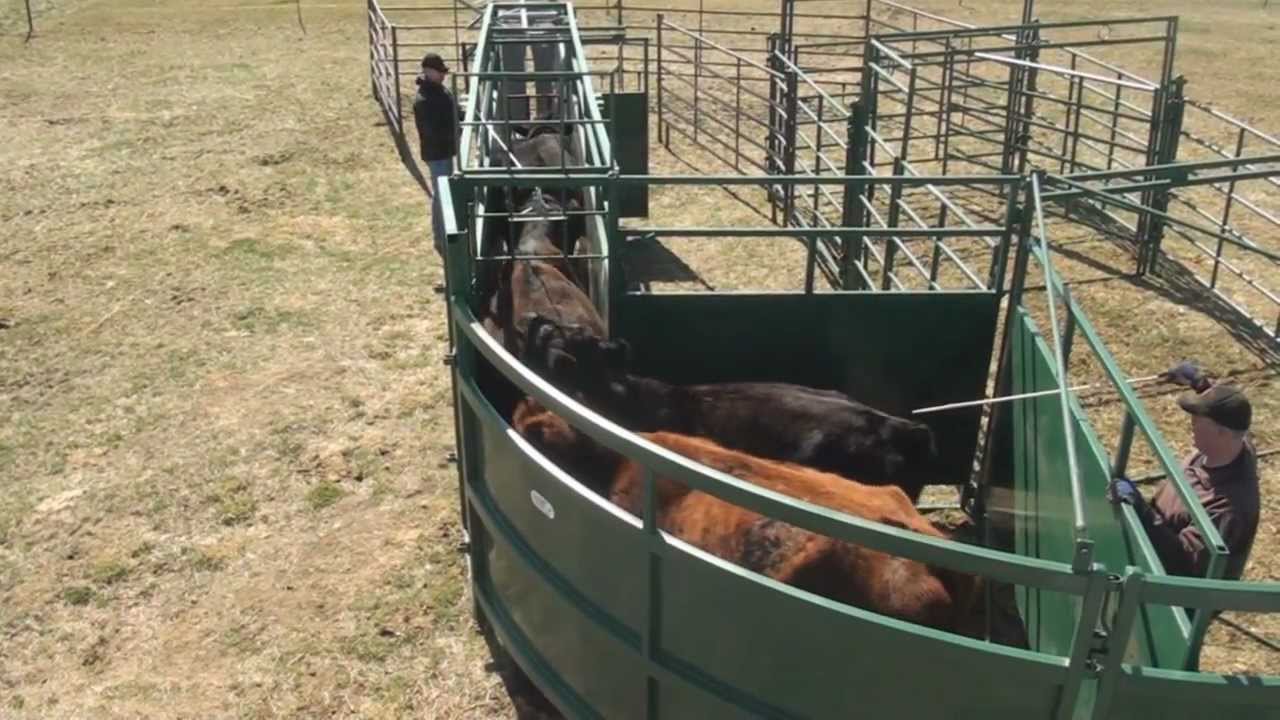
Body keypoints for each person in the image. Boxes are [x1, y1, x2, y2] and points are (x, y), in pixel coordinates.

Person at [1108, 361, 1260, 580]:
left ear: (1222, 433)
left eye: (1199, 419)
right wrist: (1200, 383)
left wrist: (1142, 511)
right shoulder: (1237, 443)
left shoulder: (1229, 509)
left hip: (1173, 595)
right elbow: (1232, 408)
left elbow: (1183, 561)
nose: (1192, 422)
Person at [413, 52, 459, 258]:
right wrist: (454, 128)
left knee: (443, 193)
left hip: (442, 151)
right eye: (439, 72)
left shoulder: (436, 92)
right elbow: (432, 130)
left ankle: (443, 236)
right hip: (438, 152)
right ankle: (441, 238)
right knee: (442, 196)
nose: (443, 76)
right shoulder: (424, 100)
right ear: (428, 72)